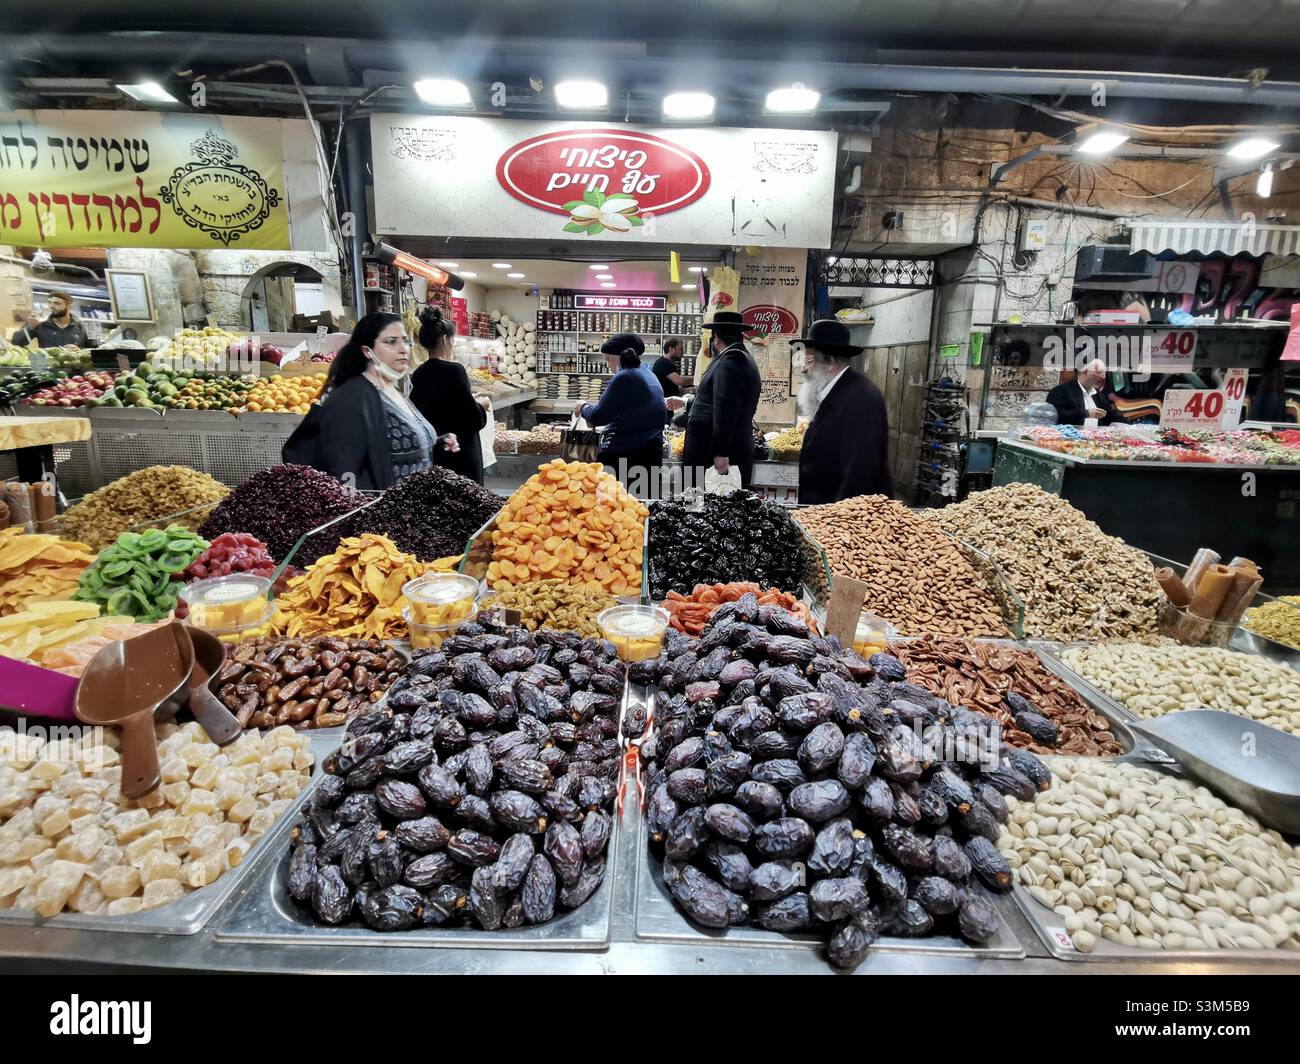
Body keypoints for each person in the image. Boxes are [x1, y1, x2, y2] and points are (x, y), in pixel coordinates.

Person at [287, 312, 458, 490]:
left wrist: (435, 440)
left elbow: (390, 441)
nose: (403, 349)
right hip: (384, 512)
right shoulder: (351, 397)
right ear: (367, 351)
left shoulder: (391, 389)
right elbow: (343, 472)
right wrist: (360, 510)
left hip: (413, 509)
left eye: (405, 341)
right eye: (390, 341)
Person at [795, 319, 892, 504]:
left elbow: (860, 472)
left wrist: (838, 524)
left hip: (846, 520)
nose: (803, 369)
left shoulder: (861, 398)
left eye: (808, 361)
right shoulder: (837, 391)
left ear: (829, 362)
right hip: (826, 512)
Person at [576, 332, 669, 493]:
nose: (608, 365)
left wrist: (583, 407)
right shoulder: (649, 374)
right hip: (651, 454)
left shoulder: (624, 377)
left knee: (614, 510)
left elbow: (599, 416)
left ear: (618, 357)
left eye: (608, 359)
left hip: (625, 457)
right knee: (643, 507)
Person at [409, 307, 490, 484]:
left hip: (436, 453)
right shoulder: (455, 370)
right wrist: (482, 406)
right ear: (445, 339)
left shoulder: (418, 374)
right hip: (461, 453)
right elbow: (471, 419)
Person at [681, 310, 761, 486]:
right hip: (718, 449)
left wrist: (721, 452)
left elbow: (726, 408)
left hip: (713, 455)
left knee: (708, 507)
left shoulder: (731, 360)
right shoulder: (739, 358)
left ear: (716, 338)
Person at [1045, 358, 1115, 426]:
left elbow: (1111, 416)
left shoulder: (1098, 395)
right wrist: (1085, 414)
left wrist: (1125, 425)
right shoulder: (1060, 391)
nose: (1103, 377)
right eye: (1099, 372)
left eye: (1104, 373)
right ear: (1085, 372)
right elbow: (1052, 415)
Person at [10, 291, 89, 348]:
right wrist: (31, 326)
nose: (51, 306)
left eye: (57, 303)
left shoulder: (82, 325)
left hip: (74, 368)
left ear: (69, 307)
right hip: (47, 367)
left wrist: (80, 351)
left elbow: (95, 349)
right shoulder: (40, 322)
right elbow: (16, 343)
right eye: (49, 302)